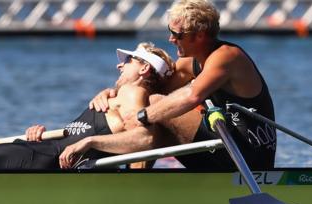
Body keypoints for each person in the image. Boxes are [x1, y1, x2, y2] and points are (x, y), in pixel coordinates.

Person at [0, 42, 175, 170]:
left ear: (144, 69)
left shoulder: (133, 92)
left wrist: (89, 143)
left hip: (43, 159)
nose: (119, 65)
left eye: (128, 61)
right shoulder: (117, 96)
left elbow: (144, 140)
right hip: (41, 150)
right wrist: (39, 135)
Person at [90, 0, 276, 170]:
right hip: (222, 147)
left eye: (177, 34)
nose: (171, 39)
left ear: (200, 35)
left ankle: (131, 182)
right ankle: (132, 180)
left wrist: (142, 116)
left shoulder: (228, 57)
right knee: (152, 104)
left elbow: (191, 96)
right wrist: (114, 92)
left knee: (154, 105)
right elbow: (150, 87)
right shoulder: (191, 63)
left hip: (249, 158)